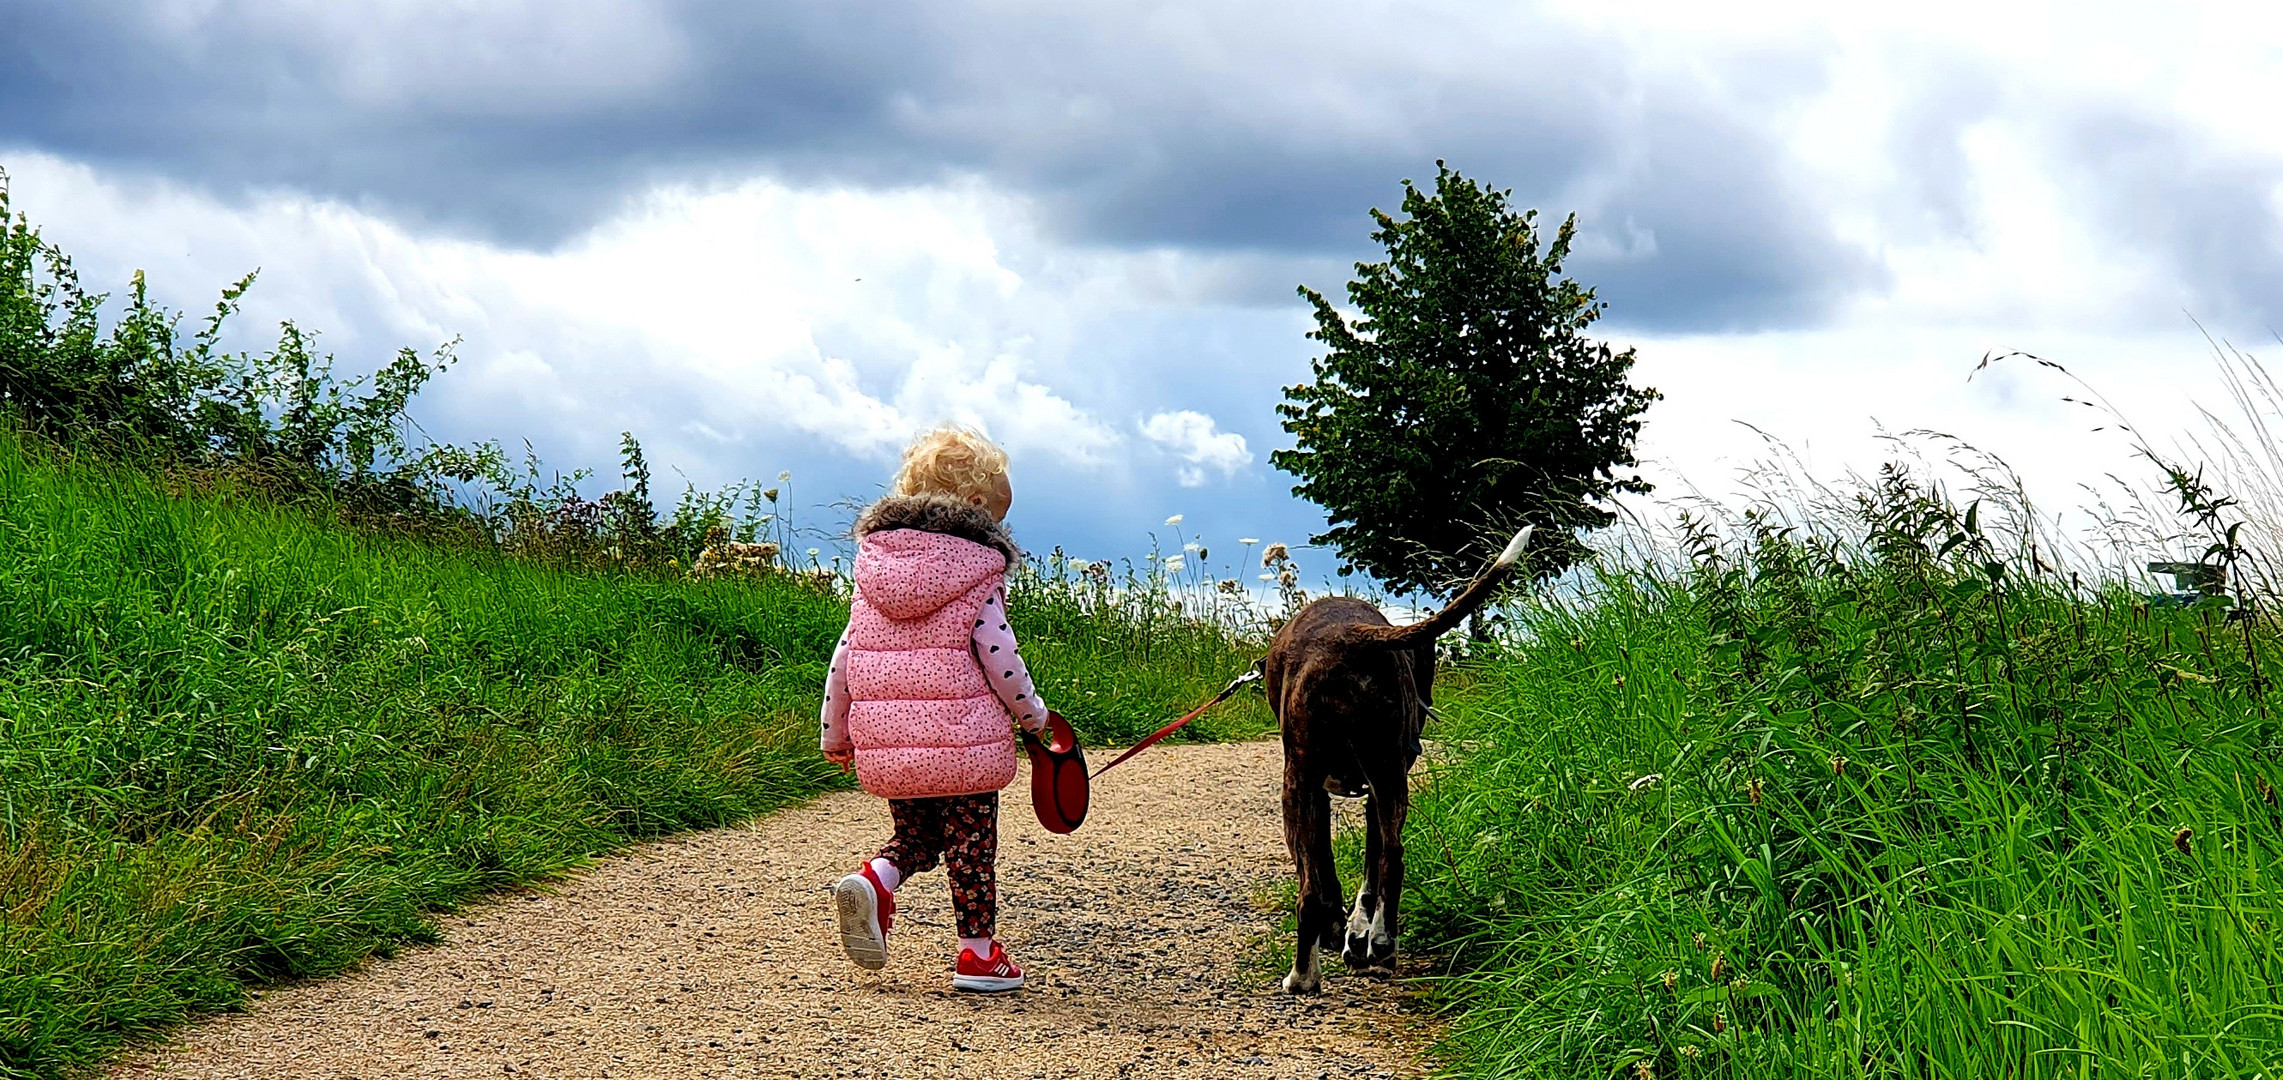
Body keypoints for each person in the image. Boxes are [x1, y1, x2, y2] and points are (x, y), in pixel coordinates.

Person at [819, 425, 1049, 992]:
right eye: (997, 514)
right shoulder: (979, 569)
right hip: (965, 744)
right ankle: (977, 955)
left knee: (918, 836)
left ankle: (876, 879)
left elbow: (844, 657)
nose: (999, 528)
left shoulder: (873, 568)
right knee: (971, 848)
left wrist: (835, 734)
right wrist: (1033, 717)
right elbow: (999, 656)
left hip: (891, 741)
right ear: (975, 506)